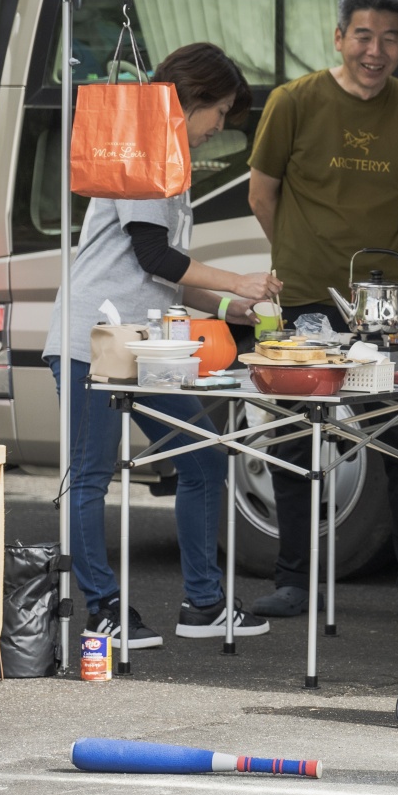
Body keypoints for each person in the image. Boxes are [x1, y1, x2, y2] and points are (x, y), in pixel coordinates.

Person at [44, 42, 278, 648]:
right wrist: (238, 282)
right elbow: (155, 255)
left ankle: (203, 604)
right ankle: (103, 610)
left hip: (143, 345)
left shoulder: (169, 160)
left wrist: (228, 307)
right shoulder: (143, 147)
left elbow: (163, 273)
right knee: (90, 475)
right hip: (93, 340)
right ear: (193, 96)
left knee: (204, 459)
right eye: (220, 111)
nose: (220, 126)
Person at [246, 0, 398, 619]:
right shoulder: (293, 102)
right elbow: (261, 195)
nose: (374, 51)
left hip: (383, 305)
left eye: (389, 38)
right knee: (293, 437)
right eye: (362, 36)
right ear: (338, 38)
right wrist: (302, 254)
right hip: (304, 298)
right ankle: (294, 580)